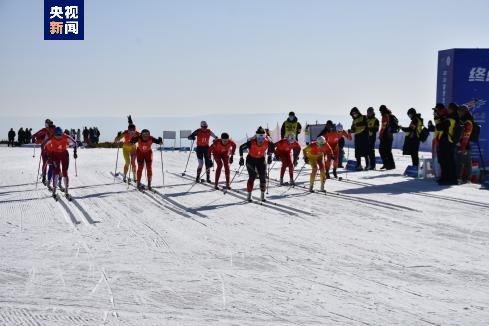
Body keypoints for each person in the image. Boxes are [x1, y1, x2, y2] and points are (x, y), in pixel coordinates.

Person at [239, 126, 275, 202]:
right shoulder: (251, 142)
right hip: (251, 160)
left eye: (262, 139)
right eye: (259, 139)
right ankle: (249, 195)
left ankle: (262, 196)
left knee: (263, 177)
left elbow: (272, 147)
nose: (260, 141)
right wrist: (241, 158)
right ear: (256, 137)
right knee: (253, 176)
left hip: (261, 160)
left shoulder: (267, 141)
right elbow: (241, 148)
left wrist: (270, 156)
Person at [44, 127, 78, 198]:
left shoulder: (65, 137)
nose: (58, 137)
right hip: (55, 155)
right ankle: (54, 190)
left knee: (65, 172)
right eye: (57, 135)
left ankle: (66, 190)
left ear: (62, 134)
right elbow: (44, 145)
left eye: (60, 135)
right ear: (54, 134)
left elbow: (75, 143)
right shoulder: (52, 138)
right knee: (56, 172)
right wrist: (47, 154)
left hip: (64, 155)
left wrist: (75, 152)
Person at [436, 103, 459, 185]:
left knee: (445, 162)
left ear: (452, 109)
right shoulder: (455, 118)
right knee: (450, 161)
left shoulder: (450, 120)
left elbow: (439, 127)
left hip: (446, 142)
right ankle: (451, 178)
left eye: (448, 108)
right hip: (450, 143)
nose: (447, 110)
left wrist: (438, 117)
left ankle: (446, 178)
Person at [114, 115, 139, 182]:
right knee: (127, 162)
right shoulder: (125, 133)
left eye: (133, 131)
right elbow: (116, 140)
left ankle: (134, 176)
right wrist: (118, 136)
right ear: (128, 130)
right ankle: (125, 176)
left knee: (133, 162)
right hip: (125, 148)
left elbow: (143, 138)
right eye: (130, 131)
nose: (132, 133)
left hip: (133, 148)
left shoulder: (137, 133)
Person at [32, 119, 57, 185]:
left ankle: (48, 177)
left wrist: (34, 137)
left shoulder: (48, 129)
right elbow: (38, 137)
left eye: (46, 124)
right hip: (46, 149)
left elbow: (37, 135)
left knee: (49, 163)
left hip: (50, 149)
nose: (46, 125)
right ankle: (45, 177)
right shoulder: (48, 129)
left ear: (49, 124)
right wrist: (35, 138)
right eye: (45, 124)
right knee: (48, 163)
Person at [455, 105, 474, 184]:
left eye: (459, 111)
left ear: (463, 112)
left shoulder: (468, 122)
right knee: (465, 162)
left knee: (463, 163)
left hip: (465, 145)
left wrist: (462, 147)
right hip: (464, 145)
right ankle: (464, 179)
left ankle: (463, 179)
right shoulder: (463, 120)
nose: (458, 113)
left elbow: (466, 136)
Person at [378, 105, 397, 170]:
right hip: (390, 136)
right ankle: (392, 165)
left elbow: (383, 127)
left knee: (381, 150)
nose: (380, 112)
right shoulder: (389, 115)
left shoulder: (385, 116)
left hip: (385, 136)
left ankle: (386, 164)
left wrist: (380, 135)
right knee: (388, 151)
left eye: (380, 110)